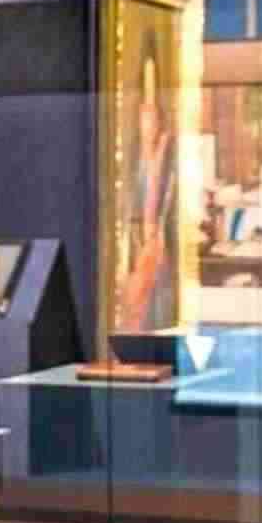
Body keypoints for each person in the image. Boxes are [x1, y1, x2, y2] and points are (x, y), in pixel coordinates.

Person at [113, 47, 178, 331]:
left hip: (154, 236)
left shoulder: (167, 154)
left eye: (151, 114)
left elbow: (163, 203)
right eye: (143, 114)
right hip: (136, 236)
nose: (147, 121)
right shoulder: (132, 159)